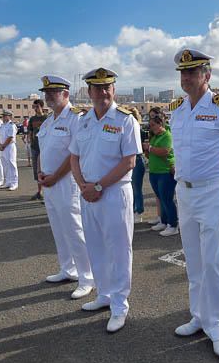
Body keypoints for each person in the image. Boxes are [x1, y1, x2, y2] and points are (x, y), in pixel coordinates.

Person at [169, 48, 219, 359]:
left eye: (193, 71)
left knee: (213, 261)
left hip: (213, 191)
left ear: (207, 75)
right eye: (183, 72)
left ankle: (218, 325)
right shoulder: (176, 108)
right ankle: (198, 317)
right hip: (185, 192)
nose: (186, 77)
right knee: (193, 260)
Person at [70, 67, 141, 334]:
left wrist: (98, 185)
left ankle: (120, 305)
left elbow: (129, 161)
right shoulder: (83, 120)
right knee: (96, 247)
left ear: (114, 89)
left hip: (114, 193)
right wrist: (83, 186)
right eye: (97, 88)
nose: (103, 92)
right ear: (88, 92)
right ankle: (104, 295)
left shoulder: (125, 120)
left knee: (119, 249)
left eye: (107, 87)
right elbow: (74, 157)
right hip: (88, 192)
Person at [37, 75, 94, 299]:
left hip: (66, 183)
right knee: (58, 228)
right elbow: (43, 149)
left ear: (66, 94)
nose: (49, 96)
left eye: (54, 92)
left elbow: (74, 154)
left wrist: (54, 177)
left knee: (74, 229)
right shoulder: (48, 121)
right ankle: (68, 269)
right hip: (49, 183)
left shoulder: (75, 118)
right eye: (46, 93)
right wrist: (42, 175)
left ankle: (87, 276)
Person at [143, 116, 178, 236]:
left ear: (160, 124)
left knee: (167, 199)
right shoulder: (154, 137)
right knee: (160, 197)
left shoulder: (167, 136)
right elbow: (151, 155)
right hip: (154, 171)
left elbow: (165, 151)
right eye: (150, 126)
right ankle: (164, 221)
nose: (151, 128)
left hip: (165, 171)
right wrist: (147, 150)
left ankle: (173, 225)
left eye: (153, 125)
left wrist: (150, 148)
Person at [27, 99, 47, 200]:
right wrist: (29, 139)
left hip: (45, 148)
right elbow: (30, 131)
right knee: (37, 170)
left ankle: (47, 192)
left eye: (37, 107)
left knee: (46, 169)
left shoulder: (46, 118)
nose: (35, 109)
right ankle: (39, 191)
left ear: (42, 107)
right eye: (34, 107)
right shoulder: (32, 119)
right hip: (35, 147)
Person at [129, 107, 146, 221]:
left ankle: (138, 211)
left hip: (137, 158)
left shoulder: (138, 130)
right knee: (132, 188)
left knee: (136, 188)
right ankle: (134, 210)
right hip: (134, 159)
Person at [0, 110, 19, 191]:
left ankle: (14, 183)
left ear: (9, 116)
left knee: (11, 164)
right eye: (3, 116)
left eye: (5, 116)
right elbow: (0, 136)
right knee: (5, 164)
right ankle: (8, 182)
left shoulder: (11, 125)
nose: (3, 117)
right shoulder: (2, 125)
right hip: (3, 147)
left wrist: (3, 145)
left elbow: (10, 137)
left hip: (9, 146)